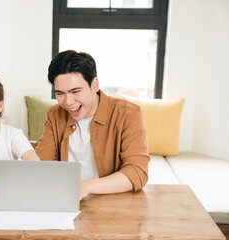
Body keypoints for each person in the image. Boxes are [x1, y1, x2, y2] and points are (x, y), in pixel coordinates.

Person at [35, 50, 150, 200]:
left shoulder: (127, 114)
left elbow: (137, 172)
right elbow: (41, 164)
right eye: (60, 93)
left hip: (112, 201)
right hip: (67, 199)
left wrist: (87, 187)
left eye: (75, 91)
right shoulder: (55, 114)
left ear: (94, 85)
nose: (68, 102)